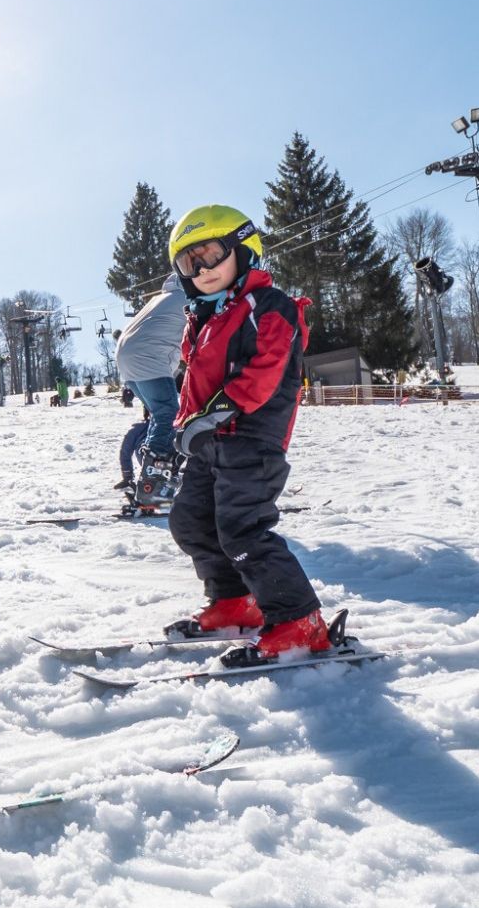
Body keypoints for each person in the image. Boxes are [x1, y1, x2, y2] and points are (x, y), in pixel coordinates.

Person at [164, 206, 334, 666]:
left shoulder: (269, 305)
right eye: (189, 263)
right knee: (190, 522)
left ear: (242, 248)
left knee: (243, 530)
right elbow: (192, 382)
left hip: (251, 440)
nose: (201, 270)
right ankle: (234, 601)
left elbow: (261, 375)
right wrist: (184, 425)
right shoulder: (205, 317)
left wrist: (213, 416)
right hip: (210, 442)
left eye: (210, 255)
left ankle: (300, 620)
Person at [115, 272, 186, 508]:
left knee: (160, 415)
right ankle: (152, 483)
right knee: (169, 413)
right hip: (148, 358)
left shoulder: (162, 299)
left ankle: (151, 477)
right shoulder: (189, 298)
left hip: (126, 360)